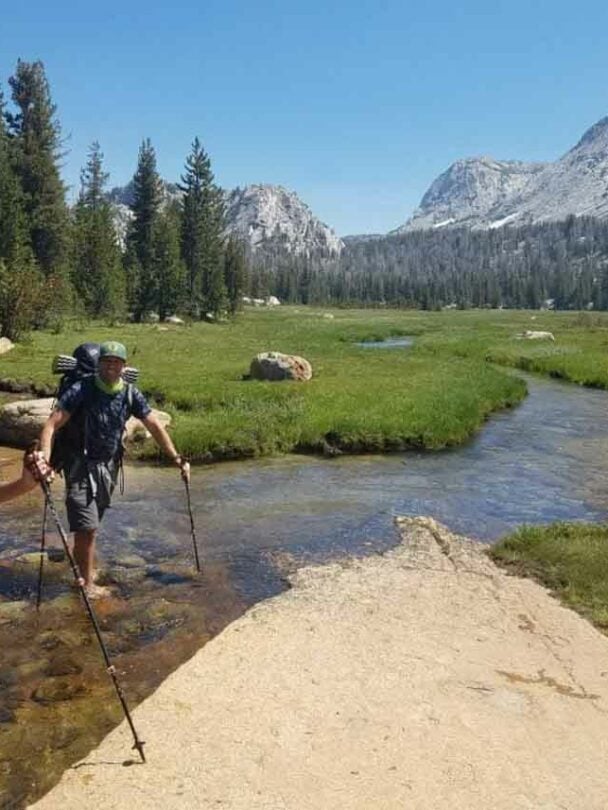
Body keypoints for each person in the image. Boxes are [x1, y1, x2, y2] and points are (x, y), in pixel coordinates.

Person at [39, 340, 189, 598]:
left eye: (116, 362)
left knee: (91, 524)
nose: (111, 367)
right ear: (99, 364)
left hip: (109, 467)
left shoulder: (130, 393)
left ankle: (82, 570)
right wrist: (45, 461)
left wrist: (176, 458)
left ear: (124, 366)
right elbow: (52, 425)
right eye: (106, 362)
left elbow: (153, 424)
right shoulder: (81, 389)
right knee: (87, 528)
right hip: (80, 466)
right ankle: (87, 585)